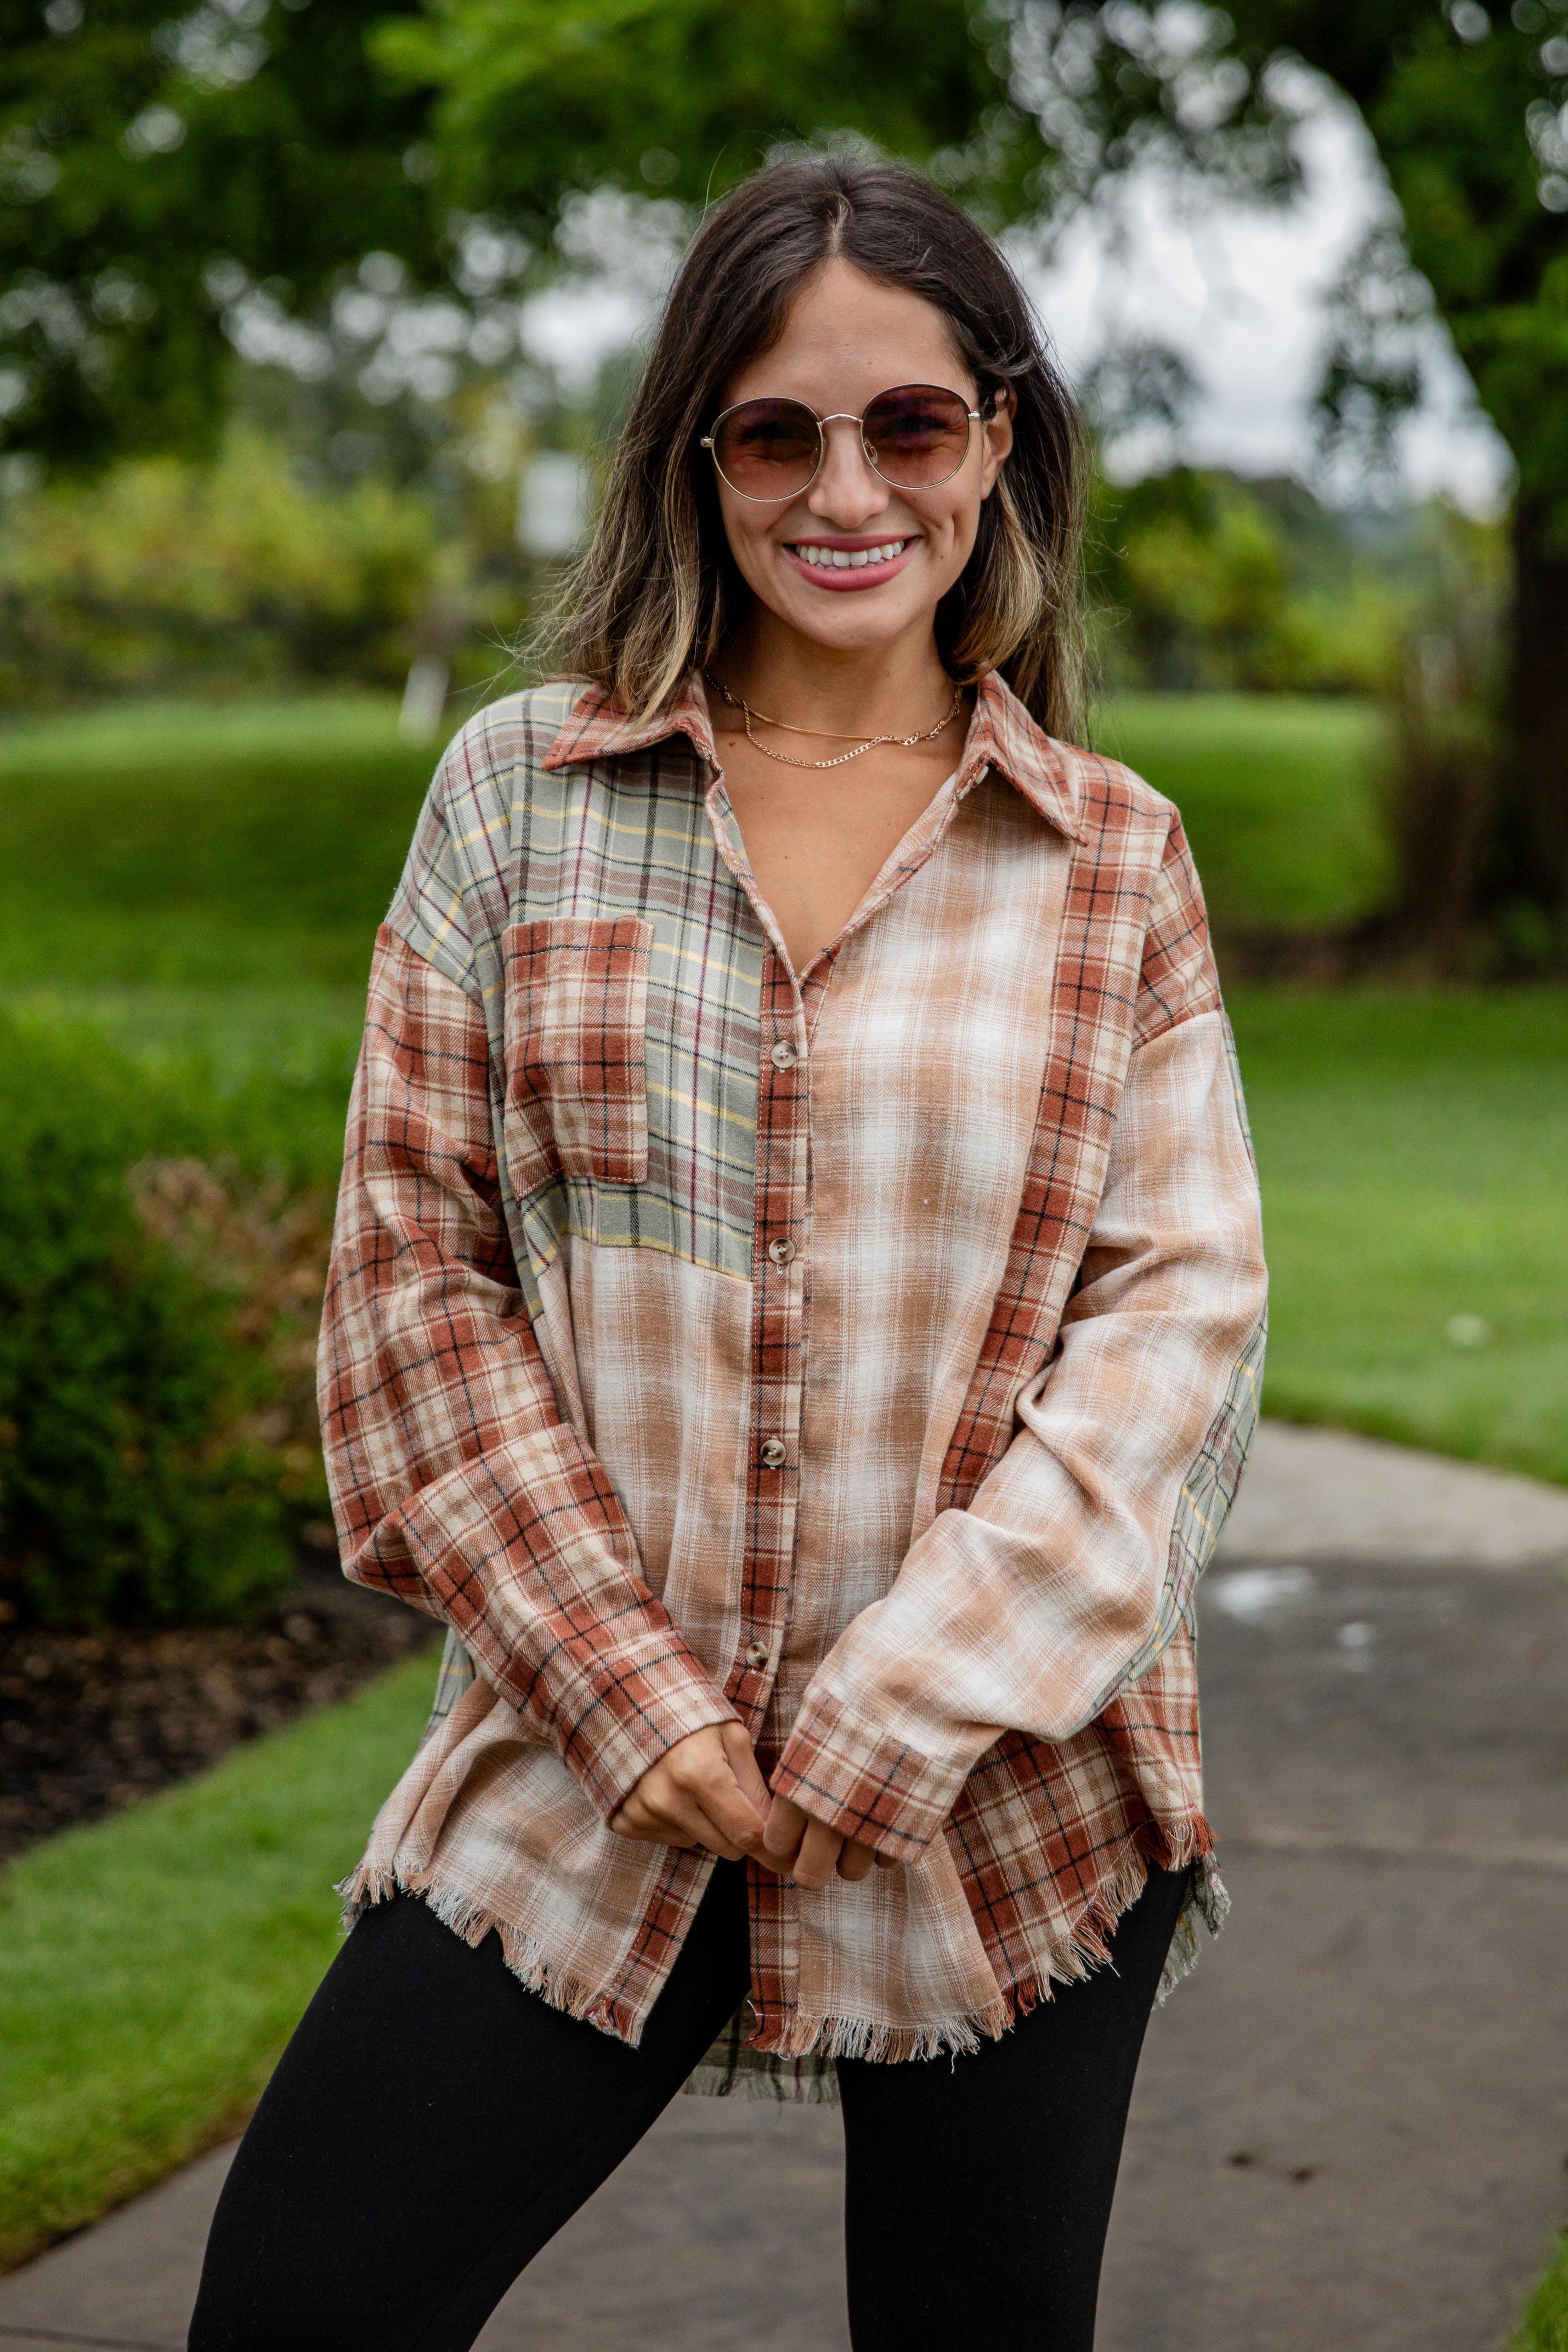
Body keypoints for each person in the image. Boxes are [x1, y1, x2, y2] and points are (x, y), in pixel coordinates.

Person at [189, 154, 1267, 2352]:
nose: (843, 486)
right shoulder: (519, 800)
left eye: (909, 424)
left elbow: (1175, 1333)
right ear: (698, 456)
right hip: (591, 1773)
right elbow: (415, 1283)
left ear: (995, 437)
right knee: (299, 2309)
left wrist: (901, 1702)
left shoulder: (1110, 857)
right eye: (777, 430)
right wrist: (630, 1691)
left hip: (1005, 1807)